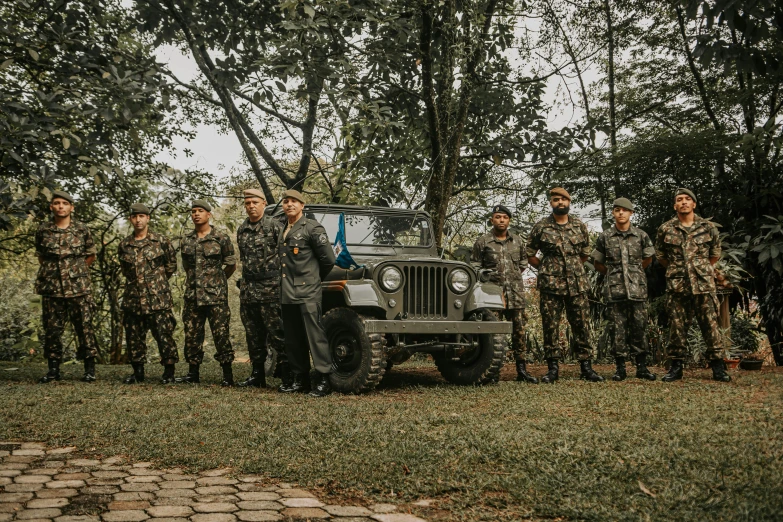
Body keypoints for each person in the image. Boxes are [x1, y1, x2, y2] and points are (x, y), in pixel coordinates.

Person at [526, 187, 604, 383]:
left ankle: (586, 367)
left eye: (563, 199)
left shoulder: (579, 225)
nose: (560, 202)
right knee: (550, 325)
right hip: (550, 285)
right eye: (555, 199)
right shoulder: (541, 226)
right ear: (551, 203)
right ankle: (552, 369)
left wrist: (573, 266)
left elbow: (585, 252)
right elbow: (529, 253)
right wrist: (546, 267)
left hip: (576, 284)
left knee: (582, 325)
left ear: (569, 202)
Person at [655, 188, 730, 382]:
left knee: (710, 326)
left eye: (688, 199)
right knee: (677, 327)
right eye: (679, 200)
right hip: (678, 285)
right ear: (675, 206)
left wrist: (701, 269)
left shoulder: (707, 227)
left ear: (694, 204)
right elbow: (661, 256)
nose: (684, 202)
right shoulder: (666, 228)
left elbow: (715, 253)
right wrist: (678, 270)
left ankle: (718, 368)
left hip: (704, 284)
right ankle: (676, 367)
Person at [35, 190, 100, 383]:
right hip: (52, 287)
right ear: (51, 207)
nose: (61, 206)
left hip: (78, 287)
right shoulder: (43, 230)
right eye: (57, 203)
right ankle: (53, 369)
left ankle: (89, 369)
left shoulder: (81, 229)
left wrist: (75, 272)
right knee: (52, 328)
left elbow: (91, 254)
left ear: (72, 207)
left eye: (65, 203)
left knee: (84, 327)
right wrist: (54, 273)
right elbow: (41, 255)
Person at [277, 189, 336, 397]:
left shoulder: (312, 227)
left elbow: (328, 260)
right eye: (286, 202)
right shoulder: (283, 228)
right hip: (287, 291)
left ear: (302, 205)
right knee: (293, 338)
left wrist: (313, 279)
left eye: (294, 201)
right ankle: (300, 378)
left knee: (315, 335)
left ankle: (323, 379)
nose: (289, 205)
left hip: (308, 290)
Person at [591, 198, 656, 381]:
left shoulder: (641, 235)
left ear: (631, 213)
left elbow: (648, 258)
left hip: (637, 289)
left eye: (625, 210)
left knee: (639, 327)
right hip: (614, 290)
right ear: (613, 213)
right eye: (617, 210)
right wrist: (613, 274)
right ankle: (620, 369)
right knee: (617, 329)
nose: (621, 213)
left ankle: (642, 367)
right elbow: (598, 263)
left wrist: (634, 273)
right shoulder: (605, 236)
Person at [472, 204, 537, 383]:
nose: (501, 220)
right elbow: (476, 267)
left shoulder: (517, 241)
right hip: (492, 295)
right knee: (493, 334)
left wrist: (511, 279)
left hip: (515, 293)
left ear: (509, 220)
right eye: (498, 217)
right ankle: (493, 373)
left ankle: (521, 370)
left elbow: (523, 264)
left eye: (505, 217)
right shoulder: (483, 242)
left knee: (519, 332)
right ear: (492, 220)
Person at [176, 200, 237, 386]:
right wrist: (198, 284)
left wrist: (217, 282)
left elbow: (231, 264)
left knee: (221, 334)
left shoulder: (220, 237)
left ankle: (227, 376)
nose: (196, 214)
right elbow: (187, 267)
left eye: (200, 211)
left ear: (208, 214)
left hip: (216, 297)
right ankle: (193, 373)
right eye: (193, 211)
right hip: (193, 296)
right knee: (192, 335)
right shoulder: (186, 240)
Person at [117, 203, 179, 384]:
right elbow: (125, 271)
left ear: (148, 218)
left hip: (157, 298)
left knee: (164, 334)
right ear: (131, 219)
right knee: (134, 336)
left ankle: (169, 372)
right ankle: (138, 372)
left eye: (142, 216)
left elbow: (170, 265)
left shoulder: (161, 241)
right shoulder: (125, 245)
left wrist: (156, 282)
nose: (138, 220)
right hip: (133, 298)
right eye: (135, 216)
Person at [236, 188, 289, 388]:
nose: (251, 207)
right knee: (253, 333)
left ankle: (286, 376)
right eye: (247, 203)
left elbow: (285, 257)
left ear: (263, 204)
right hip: (249, 288)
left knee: (277, 333)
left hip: (270, 288)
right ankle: (257, 375)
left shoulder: (275, 226)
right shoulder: (242, 229)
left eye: (254, 203)